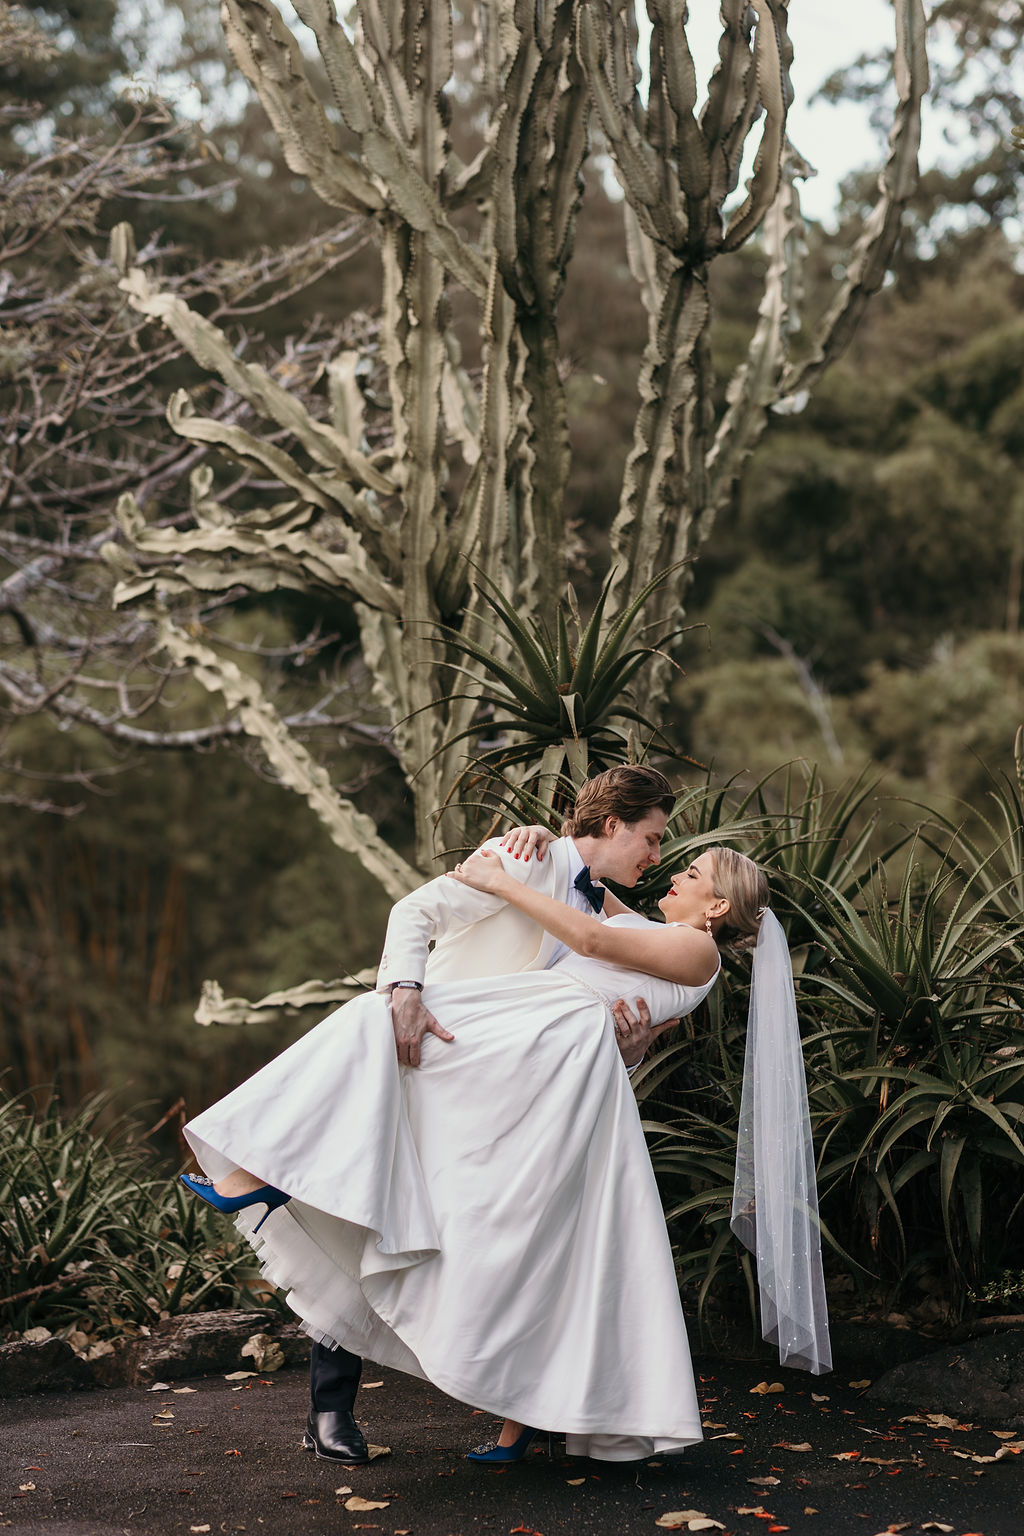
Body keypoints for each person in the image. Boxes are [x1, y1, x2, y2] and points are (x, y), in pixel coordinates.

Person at [182, 789, 830, 1463]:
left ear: (719, 907)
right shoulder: (569, 878)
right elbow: (563, 894)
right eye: (656, 841)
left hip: (536, 1056)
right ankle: (266, 1203)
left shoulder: (691, 950)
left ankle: (522, 1409)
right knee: (373, 1057)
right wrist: (530, 844)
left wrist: (630, 1044)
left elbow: (596, 951)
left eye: (687, 869)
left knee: (494, 1237)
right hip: (504, 1030)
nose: (665, 862)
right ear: (613, 826)